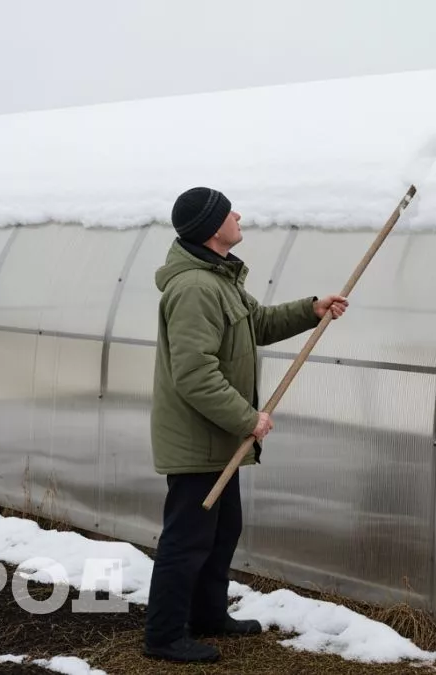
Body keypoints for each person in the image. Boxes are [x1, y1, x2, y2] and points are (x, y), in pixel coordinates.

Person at [143, 186, 348, 663]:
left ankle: (209, 614)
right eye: (228, 211)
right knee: (187, 539)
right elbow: (194, 374)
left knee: (221, 531)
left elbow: (255, 323)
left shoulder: (220, 279)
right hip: (198, 440)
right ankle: (165, 636)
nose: (238, 215)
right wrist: (247, 419)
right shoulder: (195, 287)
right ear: (213, 229)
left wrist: (311, 309)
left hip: (218, 441)